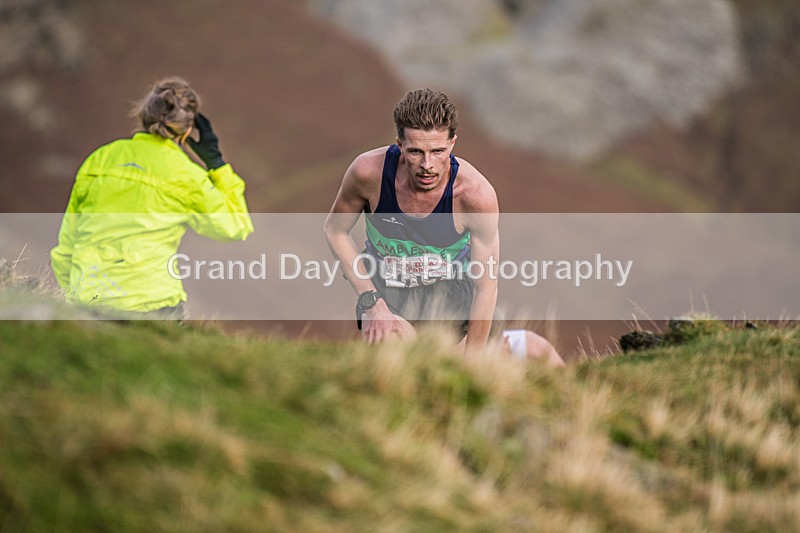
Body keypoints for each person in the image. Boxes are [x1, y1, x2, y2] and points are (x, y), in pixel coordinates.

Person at [51, 76, 253, 317]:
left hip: (89, 298)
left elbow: (66, 245)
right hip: (152, 303)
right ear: (188, 130)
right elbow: (234, 227)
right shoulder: (186, 174)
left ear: (144, 116)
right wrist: (216, 163)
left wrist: (74, 294)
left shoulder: (100, 158)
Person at [324, 88, 500, 352]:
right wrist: (371, 302)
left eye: (438, 151)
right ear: (399, 145)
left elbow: (486, 287)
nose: (427, 164)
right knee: (392, 359)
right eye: (416, 152)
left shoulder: (476, 196)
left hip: (451, 301)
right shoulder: (368, 174)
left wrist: (472, 360)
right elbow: (335, 231)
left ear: (453, 143)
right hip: (388, 295)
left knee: (445, 382)